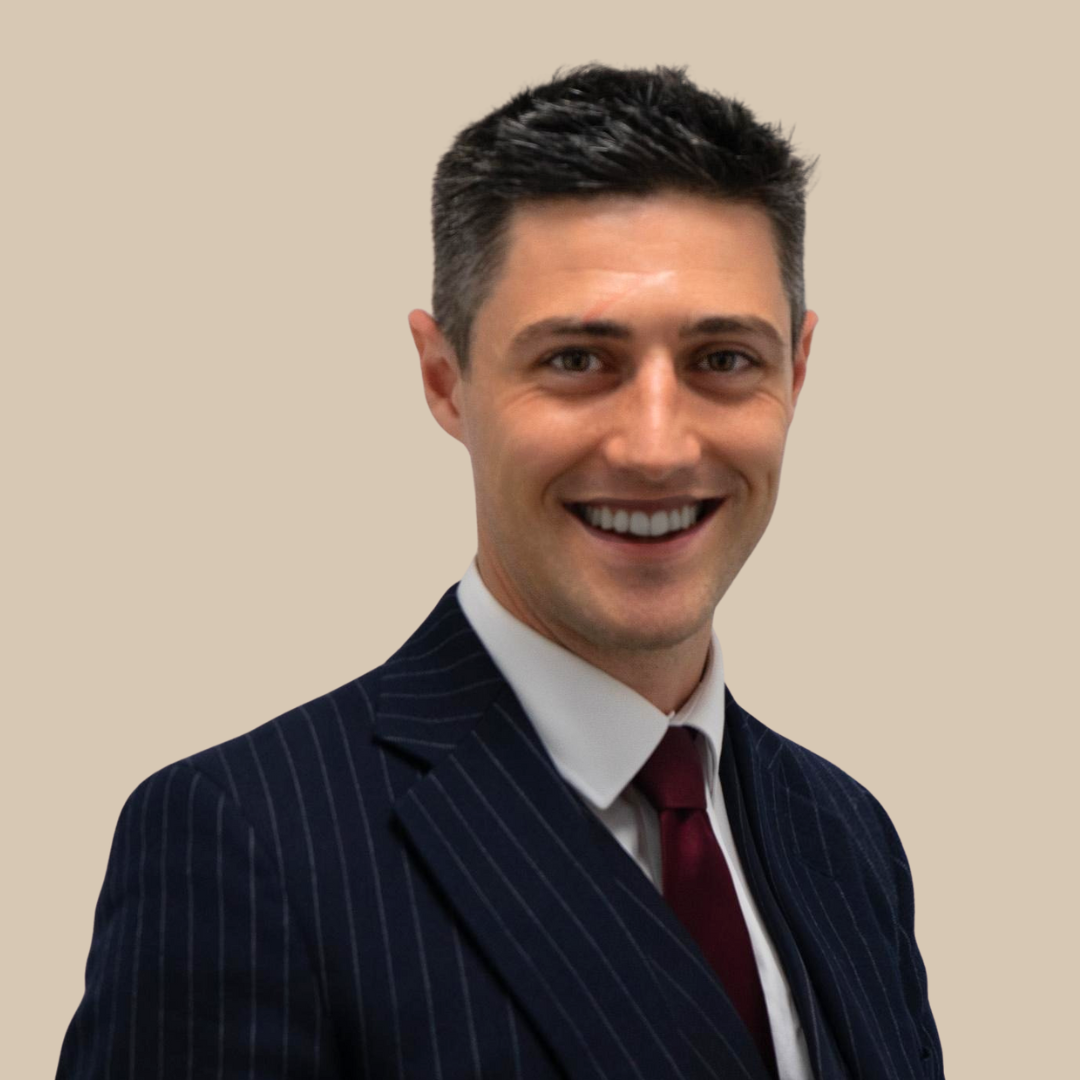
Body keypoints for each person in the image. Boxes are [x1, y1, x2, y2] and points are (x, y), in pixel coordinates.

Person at [57, 65, 944, 1079]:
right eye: (576, 360)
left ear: (799, 367)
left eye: (723, 360)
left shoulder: (844, 837)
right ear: (445, 380)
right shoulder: (247, 841)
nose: (657, 446)